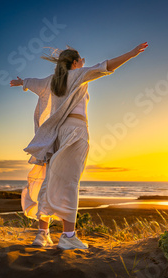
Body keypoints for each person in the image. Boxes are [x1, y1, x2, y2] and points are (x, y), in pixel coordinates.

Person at [10, 42, 148, 249]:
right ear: (74, 62)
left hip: (57, 135)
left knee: (50, 179)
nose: (83, 62)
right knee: (70, 182)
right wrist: (132, 53)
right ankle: (68, 236)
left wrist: (23, 82)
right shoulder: (78, 74)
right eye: (80, 60)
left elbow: (33, 82)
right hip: (76, 131)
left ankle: (42, 234)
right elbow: (105, 67)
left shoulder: (51, 80)